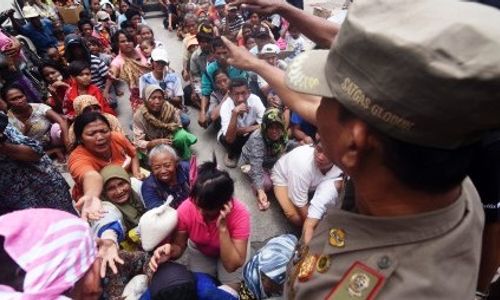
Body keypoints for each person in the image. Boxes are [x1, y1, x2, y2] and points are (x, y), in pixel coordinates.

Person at [223, 0, 500, 298]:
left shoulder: (348, 289)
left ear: (354, 143)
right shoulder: (450, 177)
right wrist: (256, 63)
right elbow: (313, 103)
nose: (315, 105)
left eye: (326, 96)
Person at [149, 159, 250, 292]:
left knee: (230, 291)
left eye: (207, 209)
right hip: (201, 250)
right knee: (199, 288)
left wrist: (223, 229)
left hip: (232, 249)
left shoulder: (241, 214)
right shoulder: (186, 208)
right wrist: (170, 251)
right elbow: (179, 246)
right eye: (197, 205)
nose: (200, 212)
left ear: (225, 204)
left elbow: (231, 265)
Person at [68, 112, 144, 218]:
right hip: (97, 200)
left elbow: (133, 153)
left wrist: (136, 172)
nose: (100, 137)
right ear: (80, 138)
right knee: (106, 220)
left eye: (104, 131)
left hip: (123, 186)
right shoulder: (77, 158)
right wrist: (92, 196)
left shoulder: (117, 138)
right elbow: (91, 176)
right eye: (91, 134)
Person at [0, 113, 75, 216]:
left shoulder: (5, 127)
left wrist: (3, 147)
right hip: (13, 203)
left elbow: (35, 152)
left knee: (69, 223)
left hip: (44, 186)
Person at [271, 141, 342, 227]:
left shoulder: (342, 165)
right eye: (318, 149)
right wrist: (317, 230)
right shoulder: (302, 166)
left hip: (310, 183)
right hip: (284, 178)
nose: (320, 157)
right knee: (297, 219)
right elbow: (301, 205)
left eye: (327, 154)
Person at [239, 108, 290, 210]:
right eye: (271, 127)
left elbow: (288, 146)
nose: (275, 131)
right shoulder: (257, 138)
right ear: (265, 127)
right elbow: (256, 166)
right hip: (249, 162)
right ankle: (257, 190)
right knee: (267, 184)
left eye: (278, 127)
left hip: (268, 160)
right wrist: (260, 190)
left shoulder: (283, 135)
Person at [4, 84, 69, 161]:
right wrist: (24, 131)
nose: (20, 101)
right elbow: (13, 143)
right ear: (7, 102)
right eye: (13, 99)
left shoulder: (39, 107)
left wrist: (68, 144)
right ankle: (52, 152)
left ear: (25, 96)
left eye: (21, 97)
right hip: (32, 149)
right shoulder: (7, 119)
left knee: (58, 127)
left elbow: (61, 121)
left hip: (51, 140)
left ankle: (59, 149)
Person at [133, 84, 196, 161]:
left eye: (160, 98)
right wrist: (152, 143)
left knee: (182, 136)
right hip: (151, 141)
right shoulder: (139, 116)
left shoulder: (169, 108)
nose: (157, 101)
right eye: (153, 98)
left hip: (169, 138)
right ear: (145, 99)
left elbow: (178, 124)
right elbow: (138, 141)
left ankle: (184, 157)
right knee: (138, 151)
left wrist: (169, 137)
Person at [200, 37, 248, 128]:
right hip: (219, 96)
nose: (222, 56)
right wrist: (202, 112)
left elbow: (242, 87)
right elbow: (205, 91)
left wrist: (218, 109)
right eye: (218, 53)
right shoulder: (210, 69)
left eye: (224, 52)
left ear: (229, 51)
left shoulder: (239, 65)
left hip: (239, 96)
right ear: (213, 54)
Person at [218, 78, 265, 168]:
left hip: (248, 131)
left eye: (243, 93)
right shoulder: (225, 107)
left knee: (261, 133)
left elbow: (265, 123)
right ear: (230, 95)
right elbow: (229, 138)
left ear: (249, 92)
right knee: (229, 141)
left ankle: (247, 151)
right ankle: (232, 154)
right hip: (231, 137)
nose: (240, 99)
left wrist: (247, 129)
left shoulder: (255, 100)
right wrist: (234, 114)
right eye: (236, 94)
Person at [110, 30, 150, 111]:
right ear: (117, 44)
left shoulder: (140, 50)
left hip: (154, 87)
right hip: (138, 96)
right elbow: (112, 72)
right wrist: (112, 75)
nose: (127, 43)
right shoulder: (117, 61)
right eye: (122, 41)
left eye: (129, 40)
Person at [141, 144, 190, 210]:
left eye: (167, 165)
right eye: (157, 167)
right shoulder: (148, 186)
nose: (163, 171)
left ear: (176, 163)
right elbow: (157, 212)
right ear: (151, 168)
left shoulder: (187, 168)